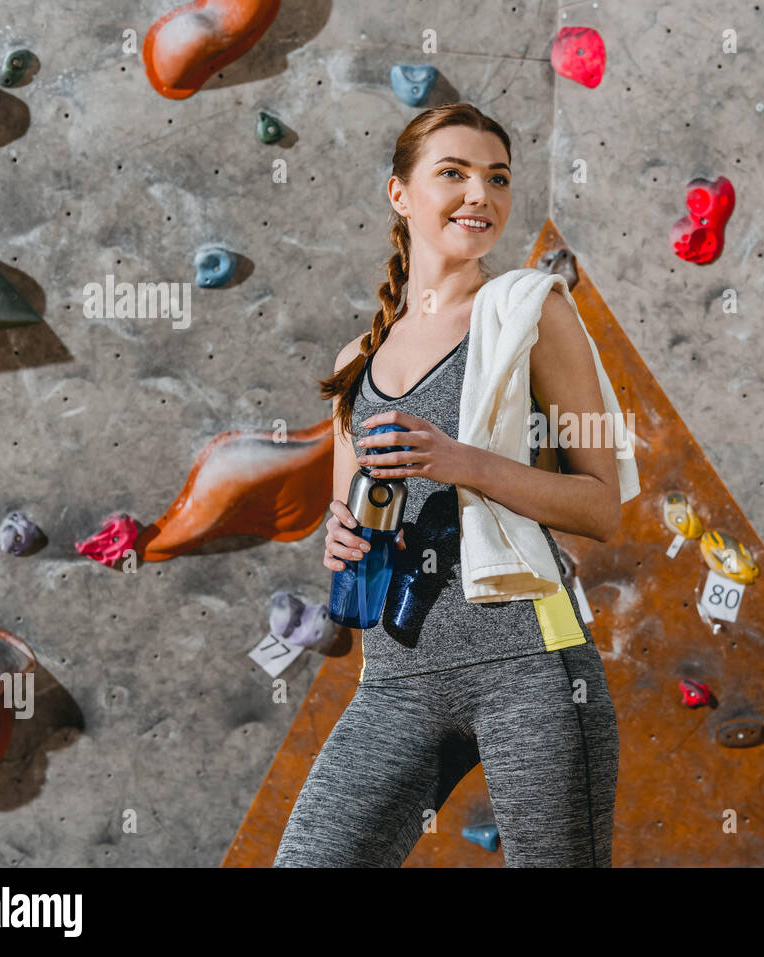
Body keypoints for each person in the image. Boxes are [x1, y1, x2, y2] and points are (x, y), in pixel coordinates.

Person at [272, 103, 622, 867]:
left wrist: (464, 462)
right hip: (396, 679)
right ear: (400, 193)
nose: (481, 196)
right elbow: (351, 539)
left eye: (497, 178)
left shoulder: (531, 315)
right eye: (453, 174)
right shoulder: (356, 360)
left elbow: (602, 506)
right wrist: (337, 539)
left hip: (531, 666)